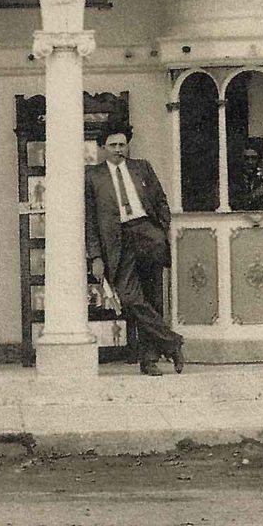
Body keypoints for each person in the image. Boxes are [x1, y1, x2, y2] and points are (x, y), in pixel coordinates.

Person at [85, 122, 185, 376]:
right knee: (130, 298)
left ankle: (149, 361)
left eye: (122, 145)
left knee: (152, 298)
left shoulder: (142, 168)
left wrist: (160, 232)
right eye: (113, 145)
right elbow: (89, 221)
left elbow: (161, 201)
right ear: (103, 148)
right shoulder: (93, 176)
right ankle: (172, 343)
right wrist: (96, 255)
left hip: (147, 235)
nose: (118, 150)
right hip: (117, 242)